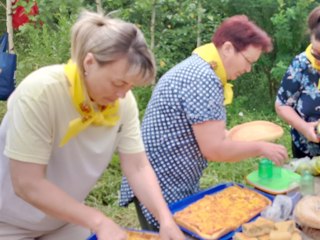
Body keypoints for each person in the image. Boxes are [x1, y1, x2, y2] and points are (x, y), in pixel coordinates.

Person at [0, 10, 185, 240]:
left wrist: (165, 220)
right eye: (118, 82)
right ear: (89, 62)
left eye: (130, 85)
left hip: (64, 220)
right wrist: (98, 220)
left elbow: (137, 166)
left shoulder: (123, 102)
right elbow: (27, 183)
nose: (123, 94)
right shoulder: (41, 93)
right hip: (7, 223)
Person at [120, 15, 288, 230]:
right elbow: (214, 150)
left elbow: (202, 130)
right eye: (248, 61)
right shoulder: (203, 78)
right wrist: (261, 148)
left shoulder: (199, 68)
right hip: (161, 185)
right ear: (227, 48)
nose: (248, 70)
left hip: (166, 180)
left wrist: (232, 136)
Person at [275, 6, 320, 158]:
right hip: (306, 150)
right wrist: (305, 128)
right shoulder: (301, 64)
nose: (317, 60)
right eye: (316, 53)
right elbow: (282, 104)